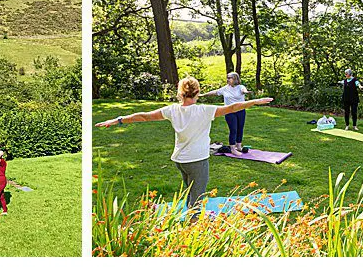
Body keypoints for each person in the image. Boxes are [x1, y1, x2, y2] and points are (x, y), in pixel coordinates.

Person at [96, 76, 273, 220]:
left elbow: (143, 117)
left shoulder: (172, 110)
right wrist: (255, 101)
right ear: (197, 92)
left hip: (180, 160)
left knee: (190, 190)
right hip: (197, 160)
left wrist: (118, 119)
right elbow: (233, 107)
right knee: (197, 196)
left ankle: (190, 213)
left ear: (180, 93)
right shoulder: (204, 110)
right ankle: (193, 225)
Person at [201, 72, 252, 155]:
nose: (228, 79)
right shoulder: (225, 88)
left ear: (235, 79)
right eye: (227, 78)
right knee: (233, 130)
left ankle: (238, 146)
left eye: (230, 78)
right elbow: (215, 92)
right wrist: (203, 95)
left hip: (241, 111)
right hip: (229, 112)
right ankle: (232, 148)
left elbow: (243, 90)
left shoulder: (240, 87)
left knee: (240, 128)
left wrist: (246, 92)